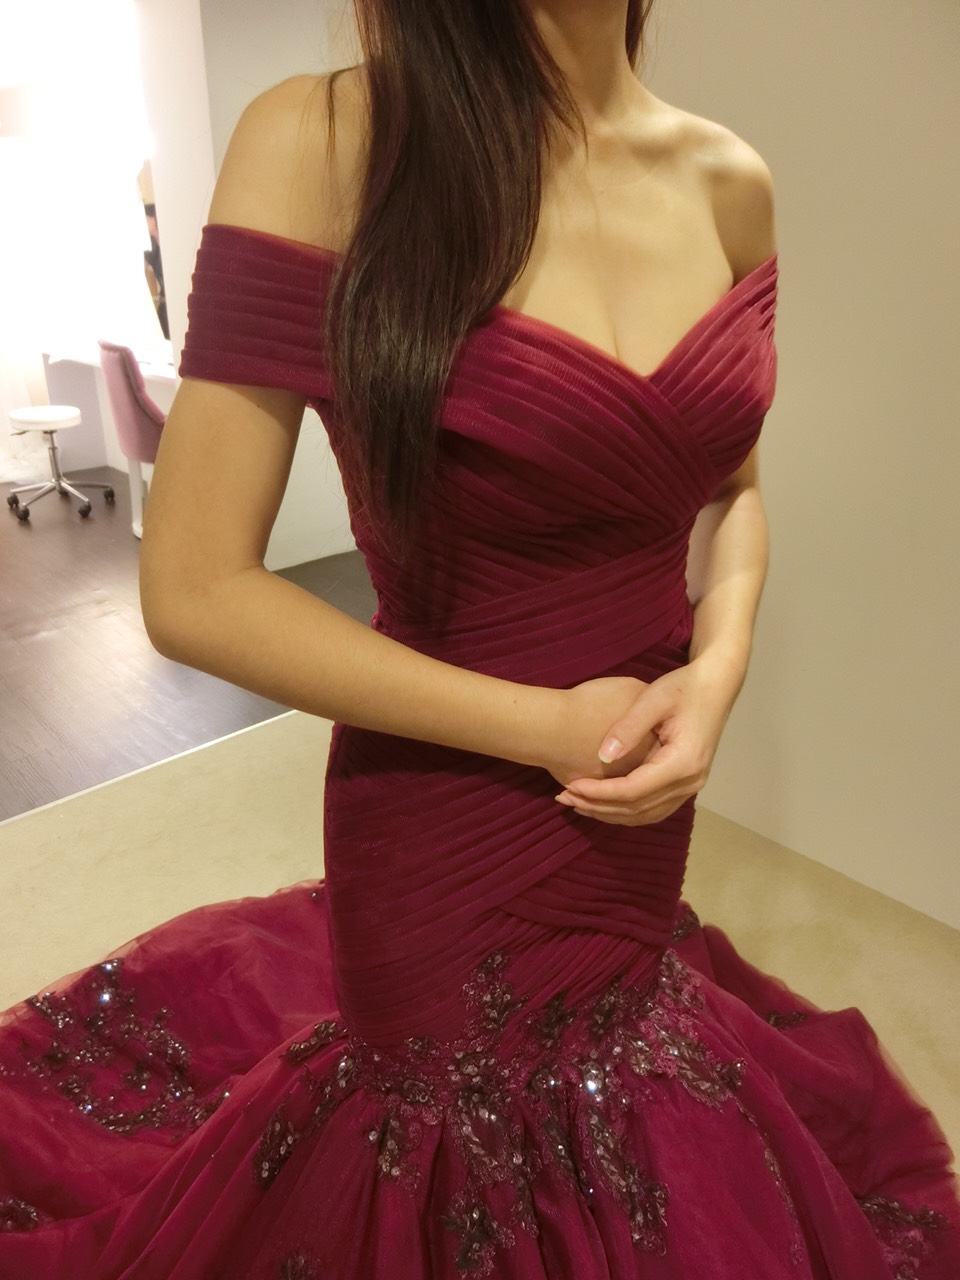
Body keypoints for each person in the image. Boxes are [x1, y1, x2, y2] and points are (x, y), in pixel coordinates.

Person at [1, 3, 958, 1277]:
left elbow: (734, 490)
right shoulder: (326, 142)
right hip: (440, 807)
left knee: (627, 1093)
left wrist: (717, 671)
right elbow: (196, 587)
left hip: (630, 815)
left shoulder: (729, 179)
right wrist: (549, 724)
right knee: (442, 1136)